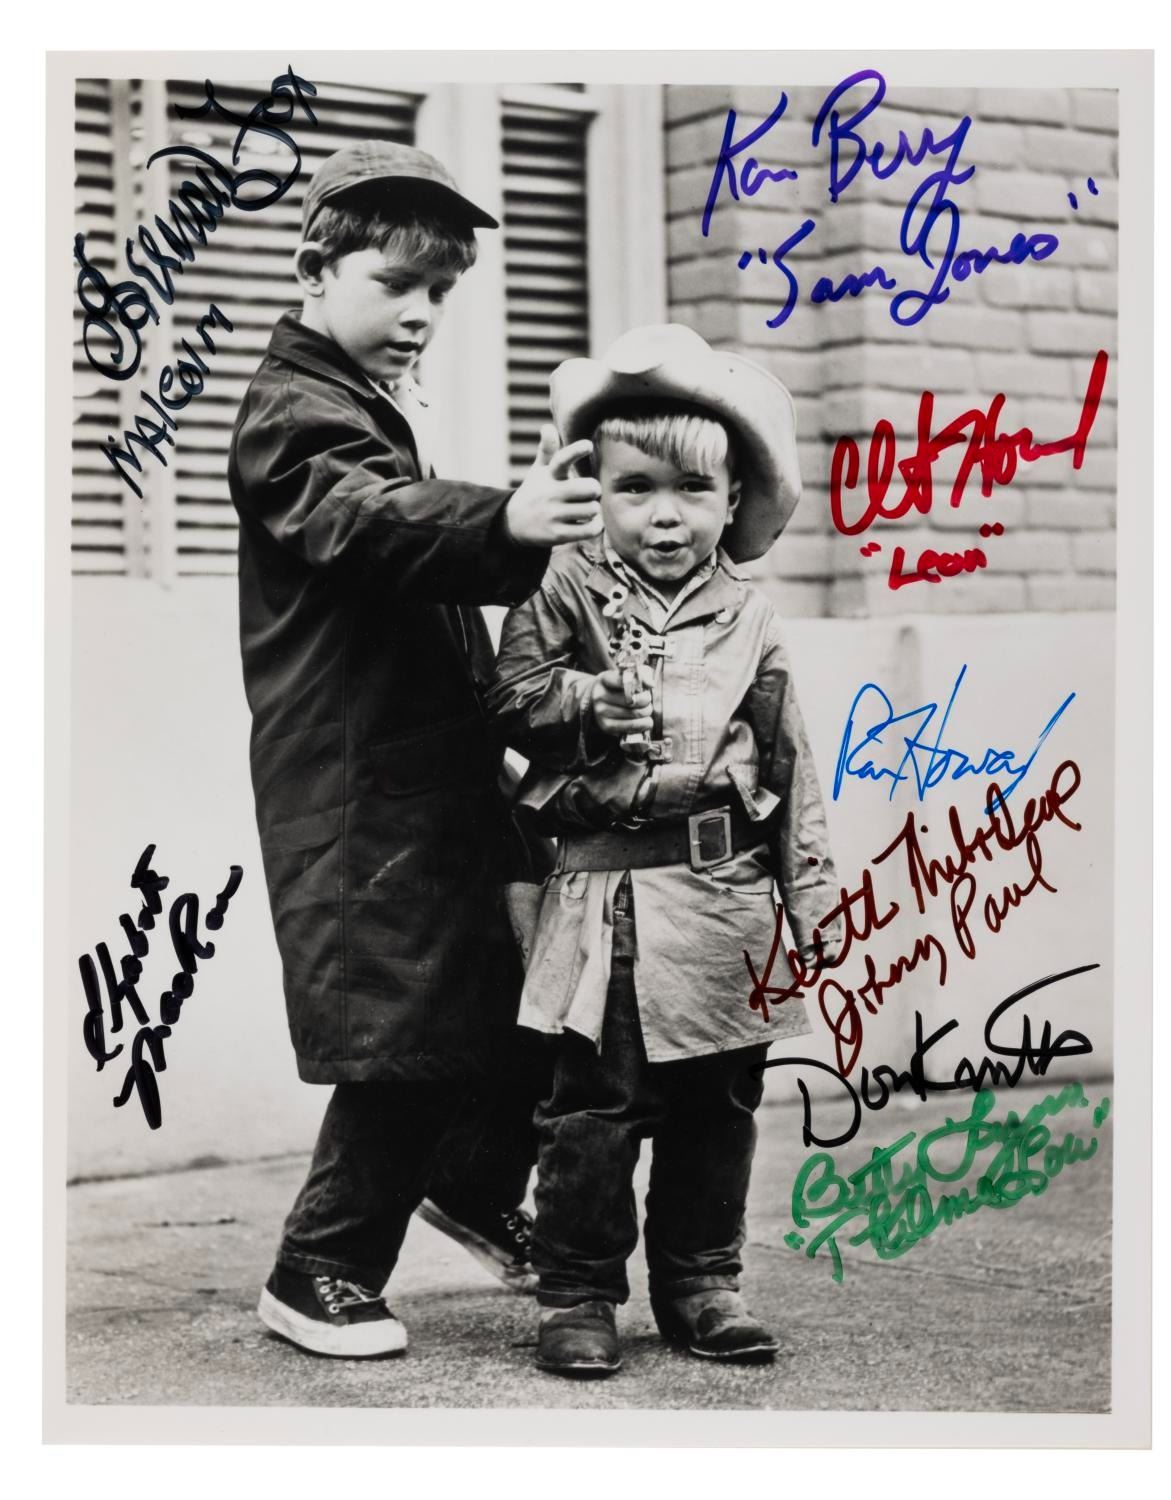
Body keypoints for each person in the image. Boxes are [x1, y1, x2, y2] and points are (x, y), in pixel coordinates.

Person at [227, 141, 602, 1358]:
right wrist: (507, 519)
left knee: (516, 983)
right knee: (404, 1027)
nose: (422, 313)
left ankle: (474, 1188)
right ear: (313, 269)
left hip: (425, 774)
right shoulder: (294, 415)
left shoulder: (355, 406)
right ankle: (318, 1270)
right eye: (396, 283)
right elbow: (371, 523)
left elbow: (413, 578)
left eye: (441, 291)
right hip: (356, 787)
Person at [486, 323, 843, 1378]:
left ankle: (700, 1283)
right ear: (595, 493)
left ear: (732, 502)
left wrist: (811, 900)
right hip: (606, 899)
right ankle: (578, 1293)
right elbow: (507, 698)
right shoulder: (560, 588)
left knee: (718, 1104)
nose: (664, 515)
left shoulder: (750, 618)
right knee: (592, 1110)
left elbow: (790, 760)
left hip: (725, 898)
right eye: (634, 489)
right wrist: (582, 702)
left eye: (692, 491)